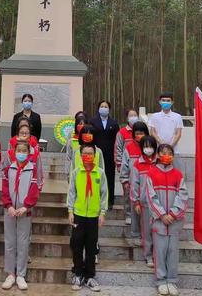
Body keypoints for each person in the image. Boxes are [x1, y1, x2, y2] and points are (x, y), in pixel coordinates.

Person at [146, 144, 188, 296]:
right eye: (163, 153)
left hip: (174, 222)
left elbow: (183, 195)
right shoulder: (151, 173)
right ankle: (161, 281)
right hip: (159, 221)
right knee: (160, 251)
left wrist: (173, 214)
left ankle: (172, 280)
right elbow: (151, 197)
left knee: (172, 252)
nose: (167, 155)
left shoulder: (178, 174)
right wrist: (162, 214)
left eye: (169, 153)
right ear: (157, 155)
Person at [67, 143, 107, 292]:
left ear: (95, 155)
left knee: (91, 247)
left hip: (93, 216)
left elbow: (104, 194)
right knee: (76, 245)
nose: (88, 156)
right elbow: (71, 192)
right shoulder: (76, 172)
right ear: (81, 155)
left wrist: (102, 213)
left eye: (91, 153)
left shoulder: (100, 173)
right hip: (78, 214)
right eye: (85, 153)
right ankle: (77, 273)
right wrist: (70, 211)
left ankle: (90, 276)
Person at [1, 141, 41, 290]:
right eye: (19, 150)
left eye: (24, 150)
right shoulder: (8, 169)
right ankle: (10, 273)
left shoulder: (33, 170)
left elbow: (34, 189)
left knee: (23, 243)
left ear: (28, 152)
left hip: (25, 211)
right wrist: (8, 205)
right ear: (14, 151)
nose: (21, 153)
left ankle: (21, 275)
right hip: (10, 211)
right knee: (10, 242)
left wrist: (26, 206)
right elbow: (5, 189)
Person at [130, 134, 158, 267]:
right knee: (146, 232)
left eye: (151, 146)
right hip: (145, 203)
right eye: (146, 147)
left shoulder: (160, 163)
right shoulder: (138, 164)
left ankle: (158, 255)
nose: (148, 149)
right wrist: (136, 201)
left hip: (159, 205)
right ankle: (148, 256)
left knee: (158, 231)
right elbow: (134, 184)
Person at [120, 121, 147, 242]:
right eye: (137, 133)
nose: (139, 135)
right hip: (133, 185)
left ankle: (147, 236)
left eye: (142, 133)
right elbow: (124, 165)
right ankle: (135, 235)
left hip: (148, 187)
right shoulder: (129, 147)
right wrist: (125, 181)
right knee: (135, 211)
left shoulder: (150, 146)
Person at [90, 100, 119, 209]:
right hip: (96, 153)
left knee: (109, 177)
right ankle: (96, 200)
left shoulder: (114, 123)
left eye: (106, 106)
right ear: (98, 108)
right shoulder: (92, 121)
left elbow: (117, 140)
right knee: (96, 177)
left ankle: (109, 201)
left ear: (109, 109)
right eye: (102, 106)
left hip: (110, 154)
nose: (104, 108)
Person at [115, 109, 139, 225]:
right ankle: (128, 214)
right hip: (127, 166)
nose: (133, 117)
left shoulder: (142, 131)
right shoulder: (122, 132)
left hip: (140, 167)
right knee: (127, 191)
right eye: (131, 115)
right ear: (127, 118)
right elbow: (118, 149)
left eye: (135, 115)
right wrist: (119, 164)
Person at [148, 92, 184, 172]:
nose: (166, 102)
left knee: (175, 173)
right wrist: (161, 144)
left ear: (172, 102)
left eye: (168, 101)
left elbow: (178, 133)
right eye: (163, 100)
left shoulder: (177, 116)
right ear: (160, 102)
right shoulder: (155, 116)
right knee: (158, 172)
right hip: (158, 149)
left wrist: (170, 146)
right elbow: (152, 132)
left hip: (174, 150)